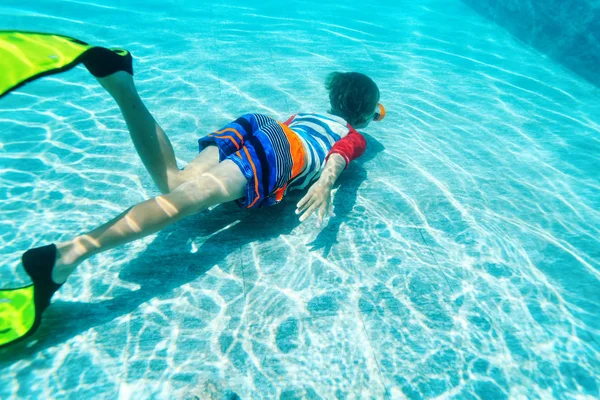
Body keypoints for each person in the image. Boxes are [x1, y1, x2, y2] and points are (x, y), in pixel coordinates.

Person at [20, 46, 385, 328]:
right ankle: (67, 255)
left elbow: (279, 131)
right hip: (285, 149)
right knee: (187, 200)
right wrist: (324, 184)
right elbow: (339, 154)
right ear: (366, 116)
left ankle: (122, 83)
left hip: (261, 122)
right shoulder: (354, 134)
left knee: (175, 183)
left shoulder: (308, 114)